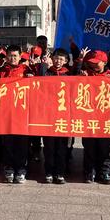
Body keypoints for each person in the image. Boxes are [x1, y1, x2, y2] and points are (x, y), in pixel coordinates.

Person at [77, 48, 110, 184]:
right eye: (91, 62)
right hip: (89, 118)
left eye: (97, 63)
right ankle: (89, 172)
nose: (93, 65)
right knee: (89, 147)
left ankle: (104, 172)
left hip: (106, 119)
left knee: (105, 148)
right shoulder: (85, 75)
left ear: (104, 63)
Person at [0, 45, 33, 183]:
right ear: (6, 57)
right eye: (10, 56)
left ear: (20, 57)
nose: (13, 58)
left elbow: (38, 82)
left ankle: (21, 168)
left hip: (23, 113)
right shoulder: (2, 71)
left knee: (22, 143)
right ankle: (9, 167)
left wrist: (32, 76)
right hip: (6, 113)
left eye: (15, 56)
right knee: (8, 142)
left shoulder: (26, 70)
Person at [38, 48, 71, 184]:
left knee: (62, 148)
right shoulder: (48, 72)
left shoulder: (70, 74)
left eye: (62, 59)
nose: (58, 61)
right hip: (49, 116)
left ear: (66, 61)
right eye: (56, 58)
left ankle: (60, 173)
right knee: (49, 147)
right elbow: (40, 81)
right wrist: (44, 65)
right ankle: (49, 172)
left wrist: (80, 60)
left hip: (64, 116)